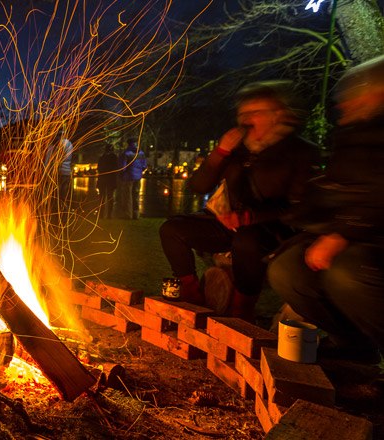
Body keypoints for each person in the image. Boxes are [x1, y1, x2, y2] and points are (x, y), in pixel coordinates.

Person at [158, 81, 320, 321]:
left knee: (247, 240)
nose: (246, 119)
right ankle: (193, 298)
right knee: (172, 229)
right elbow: (198, 186)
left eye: (256, 112)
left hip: (270, 230)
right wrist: (220, 152)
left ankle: (241, 309)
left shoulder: (299, 151)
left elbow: (300, 207)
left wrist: (250, 217)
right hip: (230, 224)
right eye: (243, 113)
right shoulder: (238, 150)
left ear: (278, 115)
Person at [268, 55, 384, 362]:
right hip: (349, 230)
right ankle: (352, 344)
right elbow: (339, 184)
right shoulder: (352, 135)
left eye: (356, 94)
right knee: (287, 270)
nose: (345, 104)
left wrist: (343, 232)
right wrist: (306, 211)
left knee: (345, 274)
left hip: (372, 236)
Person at [118, 138, 147, 219]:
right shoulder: (141, 153)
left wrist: (121, 175)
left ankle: (128, 215)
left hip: (128, 177)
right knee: (136, 195)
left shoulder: (126, 153)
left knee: (128, 196)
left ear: (128, 143)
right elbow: (144, 166)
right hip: (138, 177)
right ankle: (136, 214)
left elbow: (122, 167)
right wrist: (139, 171)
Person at [96, 143, 119, 219]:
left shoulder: (102, 158)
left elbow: (99, 168)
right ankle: (109, 215)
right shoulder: (114, 157)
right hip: (111, 180)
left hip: (102, 179)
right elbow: (116, 168)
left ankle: (101, 214)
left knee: (102, 197)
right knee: (110, 197)